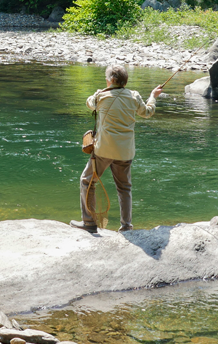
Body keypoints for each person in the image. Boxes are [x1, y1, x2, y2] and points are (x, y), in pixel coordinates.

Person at [70, 65, 163, 233]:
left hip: (104, 150)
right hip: (125, 152)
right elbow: (148, 112)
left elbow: (89, 103)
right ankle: (126, 226)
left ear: (110, 81)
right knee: (124, 188)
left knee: (87, 181)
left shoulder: (101, 96)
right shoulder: (134, 96)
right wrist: (153, 96)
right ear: (125, 81)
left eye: (107, 78)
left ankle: (89, 223)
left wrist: (100, 91)